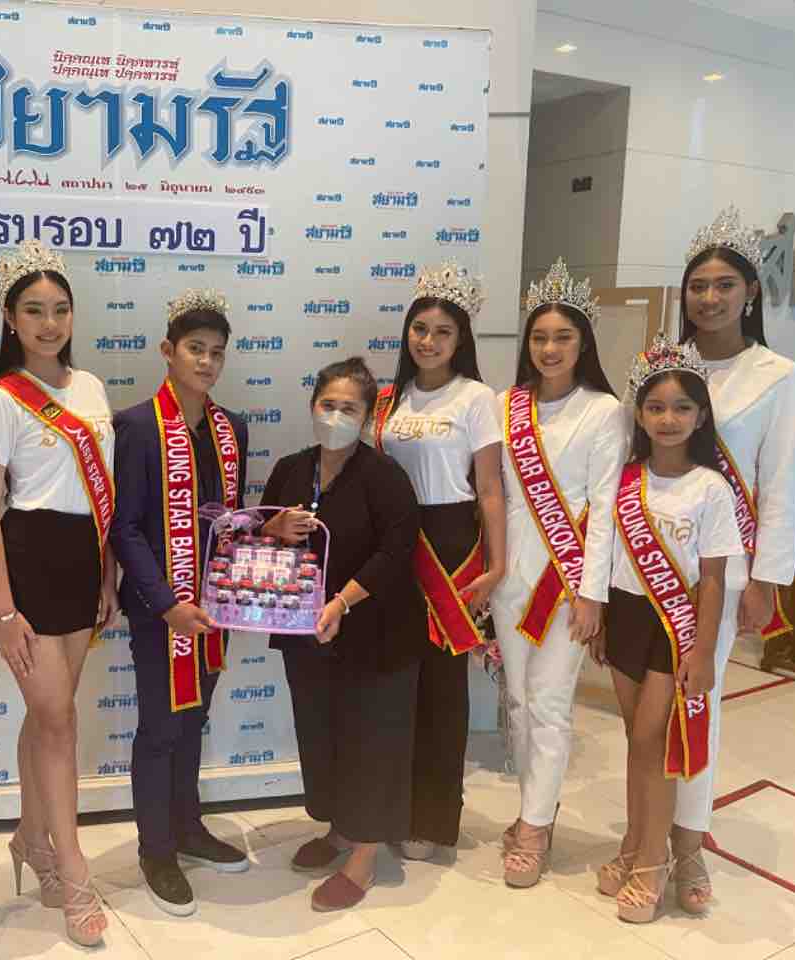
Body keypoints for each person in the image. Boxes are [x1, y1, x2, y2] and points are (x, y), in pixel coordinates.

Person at [0, 240, 118, 947]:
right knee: (58, 720)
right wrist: (2, 610)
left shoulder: (90, 388)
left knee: (47, 715)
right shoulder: (1, 399)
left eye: (60, 309)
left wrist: (108, 573)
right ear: (10, 318)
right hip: (27, 558)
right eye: (34, 310)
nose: (49, 323)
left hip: (83, 561)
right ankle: (73, 866)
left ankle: (31, 838)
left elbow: (102, 494)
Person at [670, 207, 795, 912]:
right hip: (649, 560)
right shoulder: (662, 366)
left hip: (722, 574)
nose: (710, 298)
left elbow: (780, 483)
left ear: (750, 292)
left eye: (725, 285)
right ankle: (646, 826)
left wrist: (768, 582)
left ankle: (689, 841)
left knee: (700, 699)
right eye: (698, 286)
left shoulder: (776, 374)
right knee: (649, 704)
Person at [259, 357, 422, 912]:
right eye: (327, 405)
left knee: (369, 741)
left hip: (376, 632)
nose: (335, 416)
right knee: (321, 734)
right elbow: (255, 535)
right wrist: (272, 526)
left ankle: (364, 858)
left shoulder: (384, 476)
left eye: (349, 408)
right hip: (305, 634)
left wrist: (342, 601)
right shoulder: (290, 469)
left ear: (368, 416)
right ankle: (339, 829)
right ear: (312, 407)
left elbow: (397, 550)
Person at [109, 289, 251, 918]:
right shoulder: (138, 426)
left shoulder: (231, 429)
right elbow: (125, 528)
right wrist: (166, 603)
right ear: (168, 351)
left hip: (213, 607)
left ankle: (189, 827)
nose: (206, 362)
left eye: (217, 352)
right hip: (159, 609)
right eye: (196, 349)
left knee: (194, 720)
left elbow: (230, 519)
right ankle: (156, 850)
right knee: (161, 728)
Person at [592, 335, 743, 923]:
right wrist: (602, 618)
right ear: (639, 414)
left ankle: (654, 863)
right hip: (627, 615)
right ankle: (634, 844)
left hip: (674, 626)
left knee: (653, 742)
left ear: (701, 416)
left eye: (682, 407)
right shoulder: (625, 479)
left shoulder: (712, 488)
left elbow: (714, 580)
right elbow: (607, 556)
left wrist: (702, 652)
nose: (668, 418)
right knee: (637, 740)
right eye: (656, 407)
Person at [491, 260, 625, 887]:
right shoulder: (506, 406)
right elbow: (493, 495)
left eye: (563, 337)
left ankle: (535, 826)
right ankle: (532, 808)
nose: (549, 349)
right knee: (518, 701)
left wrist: (593, 594)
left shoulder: (605, 411)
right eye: (540, 337)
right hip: (509, 577)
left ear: (583, 343)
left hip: (566, 582)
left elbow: (606, 508)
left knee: (549, 702)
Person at [373, 260, 506, 860]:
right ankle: (390, 807)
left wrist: (496, 566)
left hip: (449, 546)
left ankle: (432, 818)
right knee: (397, 684)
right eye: (420, 328)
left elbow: (490, 490)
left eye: (443, 332)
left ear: (461, 340)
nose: (428, 341)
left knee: (443, 690)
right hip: (395, 541)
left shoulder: (477, 398)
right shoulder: (388, 399)